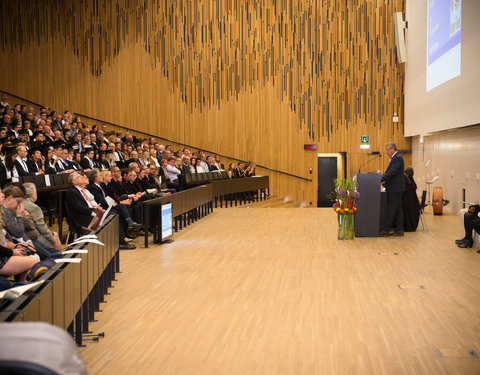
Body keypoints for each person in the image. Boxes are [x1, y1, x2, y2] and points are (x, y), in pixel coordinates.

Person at [22, 183, 62, 251]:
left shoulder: (20, 202)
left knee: (55, 234)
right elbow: (43, 229)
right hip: (33, 237)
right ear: (33, 194)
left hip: (25, 235)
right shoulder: (34, 207)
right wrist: (53, 241)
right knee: (55, 239)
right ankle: (57, 256)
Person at [380, 142, 405, 236]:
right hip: (395, 188)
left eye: (387, 150)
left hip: (395, 188)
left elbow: (392, 172)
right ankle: (399, 230)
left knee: (391, 209)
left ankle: (385, 230)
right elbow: (390, 172)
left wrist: (380, 178)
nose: (386, 152)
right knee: (398, 209)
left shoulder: (397, 158)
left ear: (392, 149)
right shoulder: (395, 158)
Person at [402, 167, 420, 232]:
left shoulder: (406, 181)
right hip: (415, 204)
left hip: (409, 204)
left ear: (405, 173)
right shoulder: (411, 180)